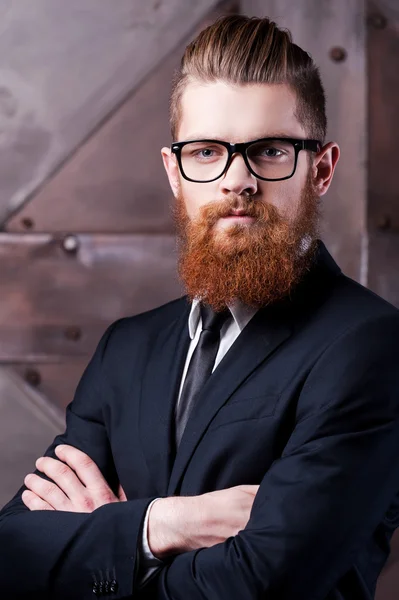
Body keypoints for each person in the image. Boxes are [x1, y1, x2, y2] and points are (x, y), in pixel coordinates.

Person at [1, 14, 399, 600]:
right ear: (174, 172)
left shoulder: (370, 345)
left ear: (322, 169)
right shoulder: (128, 348)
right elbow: (11, 553)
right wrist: (163, 524)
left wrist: (101, 540)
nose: (237, 180)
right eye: (208, 151)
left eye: (268, 151)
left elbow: (267, 582)